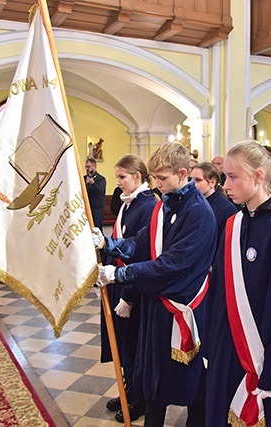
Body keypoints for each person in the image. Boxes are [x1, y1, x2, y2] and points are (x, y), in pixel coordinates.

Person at [94, 142, 217, 427]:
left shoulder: (198, 212)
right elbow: (142, 243)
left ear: (183, 173)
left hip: (182, 308)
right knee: (153, 379)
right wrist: (109, 243)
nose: (157, 185)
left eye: (162, 178)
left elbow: (173, 263)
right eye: (154, 178)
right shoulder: (163, 205)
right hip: (156, 307)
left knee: (191, 383)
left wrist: (119, 275)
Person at [205, 141, 271, 427]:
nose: (226, 184)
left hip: (264, 359)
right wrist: (210, 347)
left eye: (233, 176)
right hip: (228, 349)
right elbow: (218, 292)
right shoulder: (233, 224)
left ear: (260, 175)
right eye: (224, 176)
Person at [101, 155, 157, 423]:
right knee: (123, 342)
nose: (119, 183)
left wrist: (128, 294)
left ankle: (137, 398)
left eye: (123, 177)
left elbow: (142, 253)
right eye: (117, 177)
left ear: (138, 177)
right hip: (118, 279)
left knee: (134, 343)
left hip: (132, 285)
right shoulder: (129, 203)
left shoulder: (147, 206)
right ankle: (126, 388)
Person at [190, 162, 237, 247]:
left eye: (198, 180)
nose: (193, 184)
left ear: (212, 182)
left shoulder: (227, 209)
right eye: (191, 180)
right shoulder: (191, 203)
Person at [85, 157, 107, 228]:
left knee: (97, 228)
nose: (87, 169)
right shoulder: (84, 178)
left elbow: (99, 191)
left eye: (88, 167)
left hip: (97, 208)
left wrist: (93, 183)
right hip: (86, 207)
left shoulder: (101, 179)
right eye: (86, 167)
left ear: (94, 167)